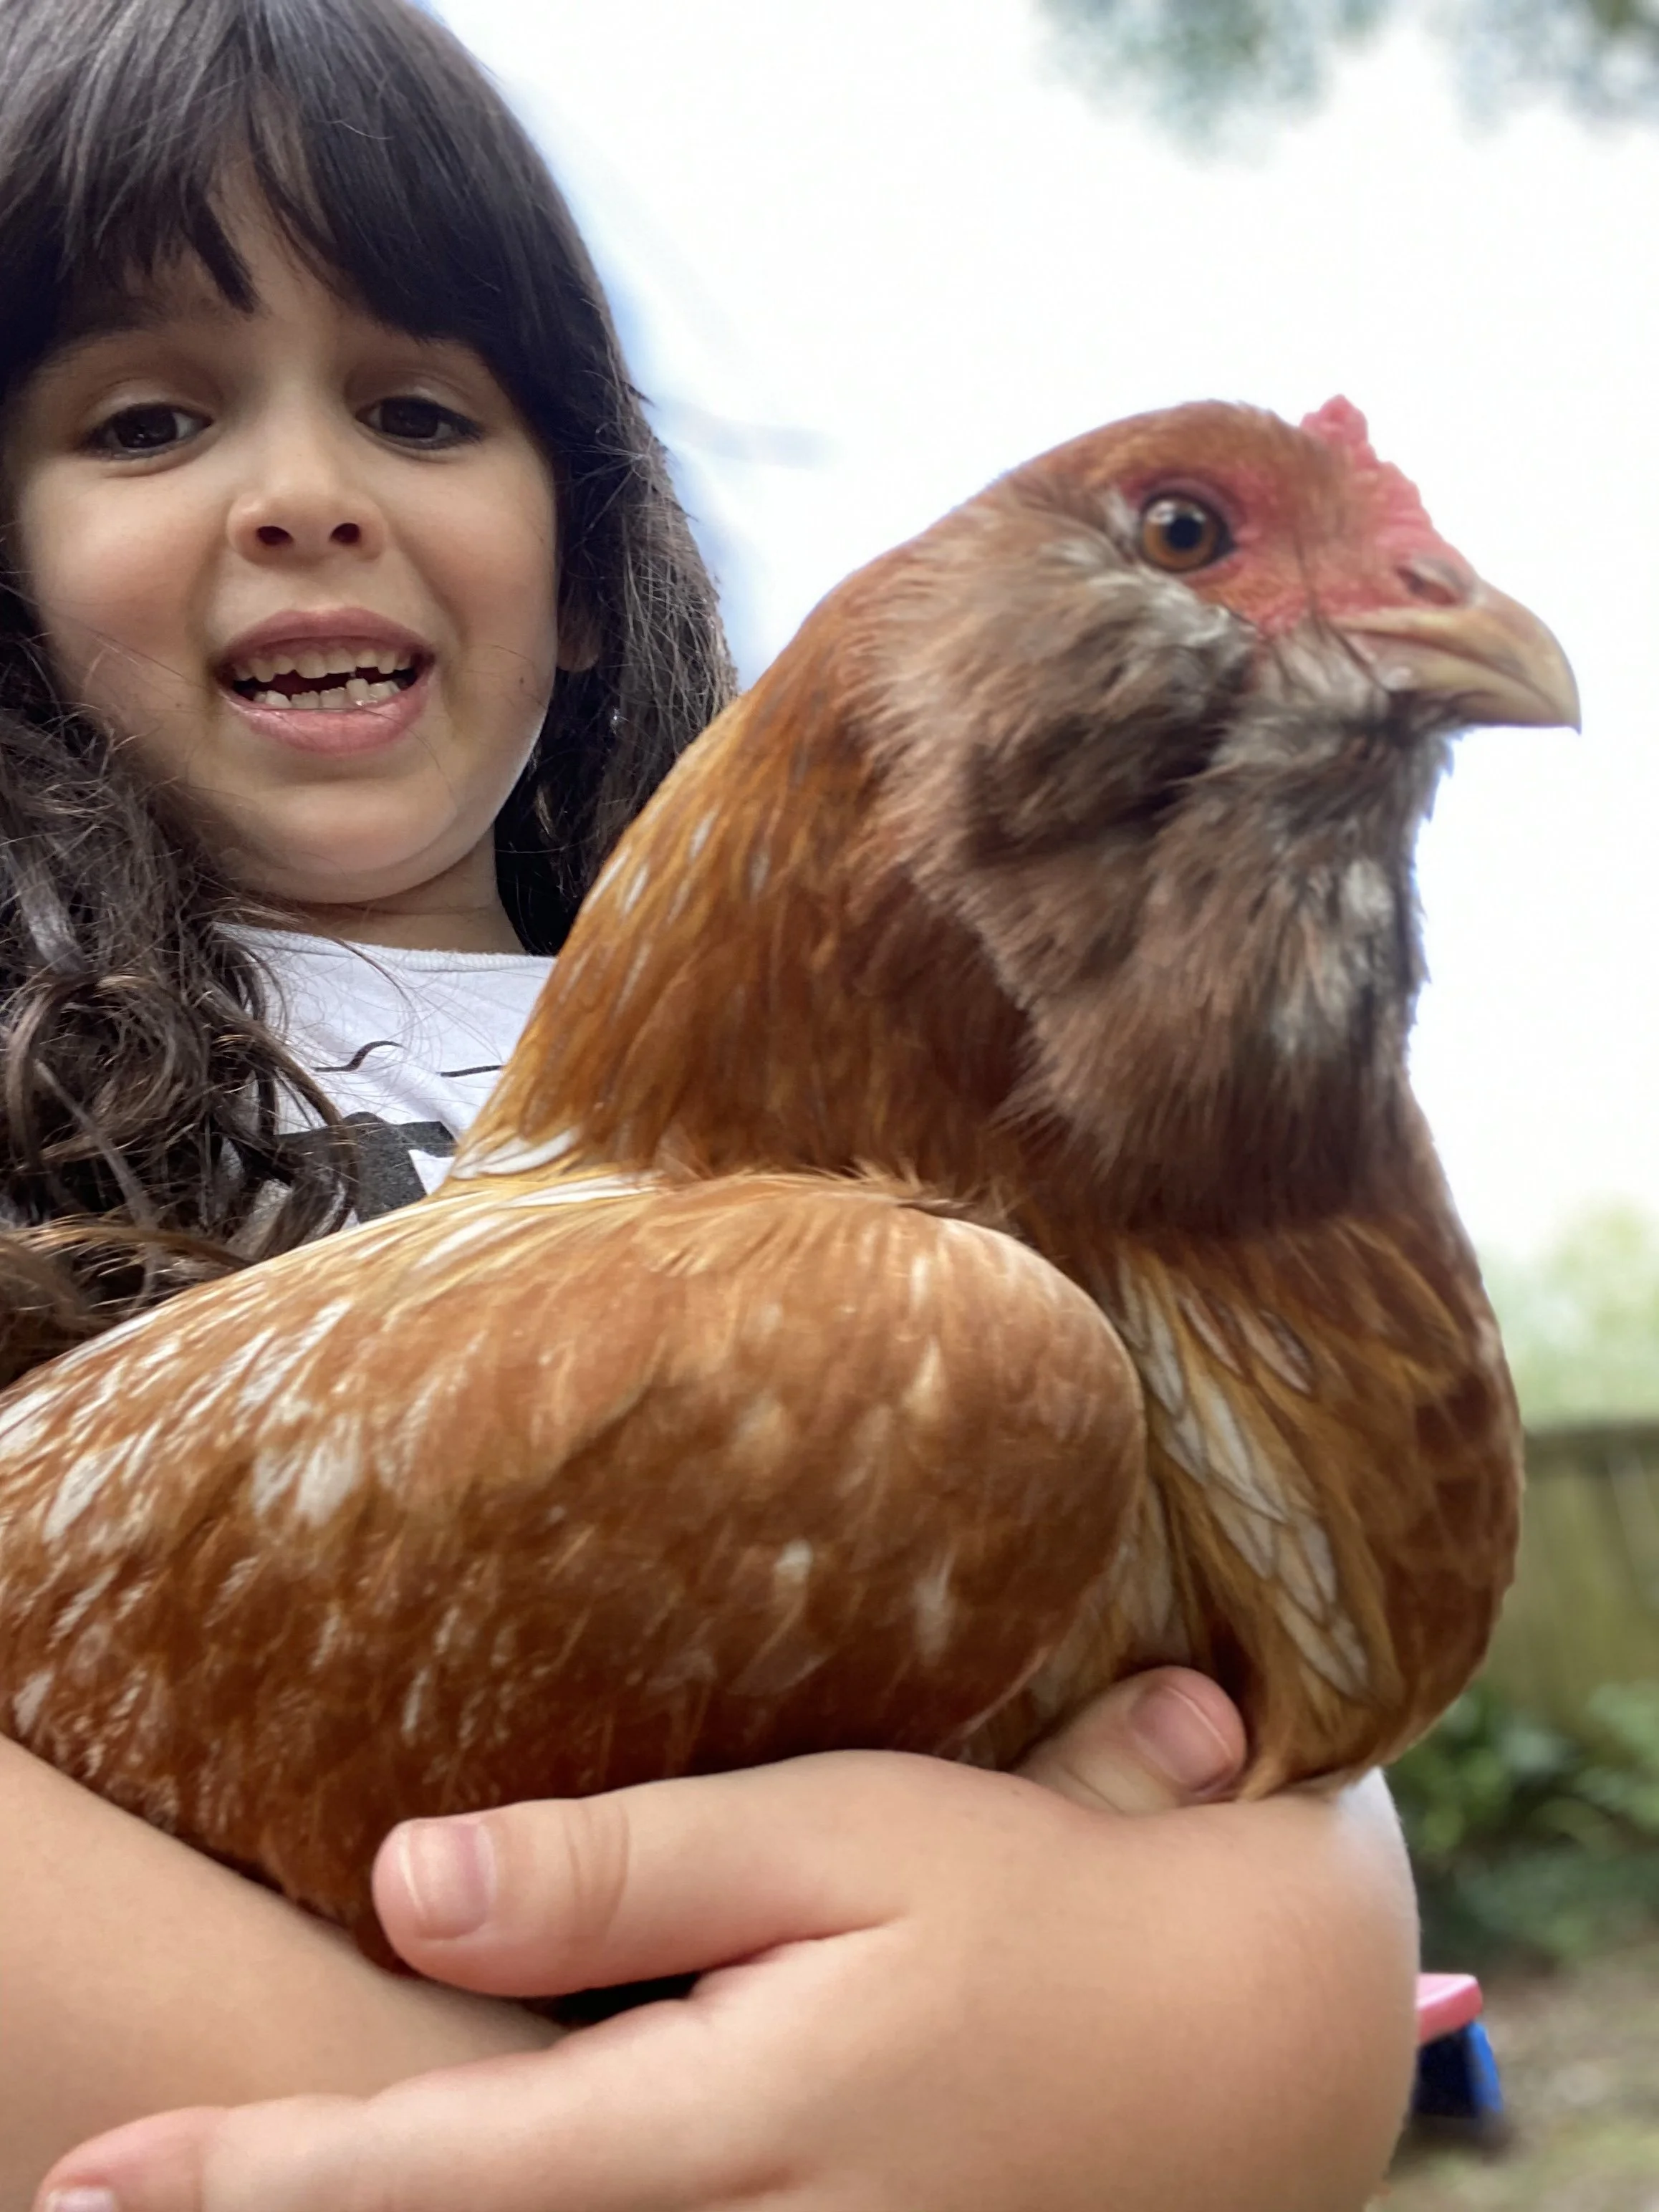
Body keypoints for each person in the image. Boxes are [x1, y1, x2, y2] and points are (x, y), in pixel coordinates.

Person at [0, 1, 1419, 2206]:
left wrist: (1183, 2015)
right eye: (151, 419)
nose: (305, 494)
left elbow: (1249, 1733)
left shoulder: (902, 1102)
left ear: (580, 570)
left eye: (418, 410)